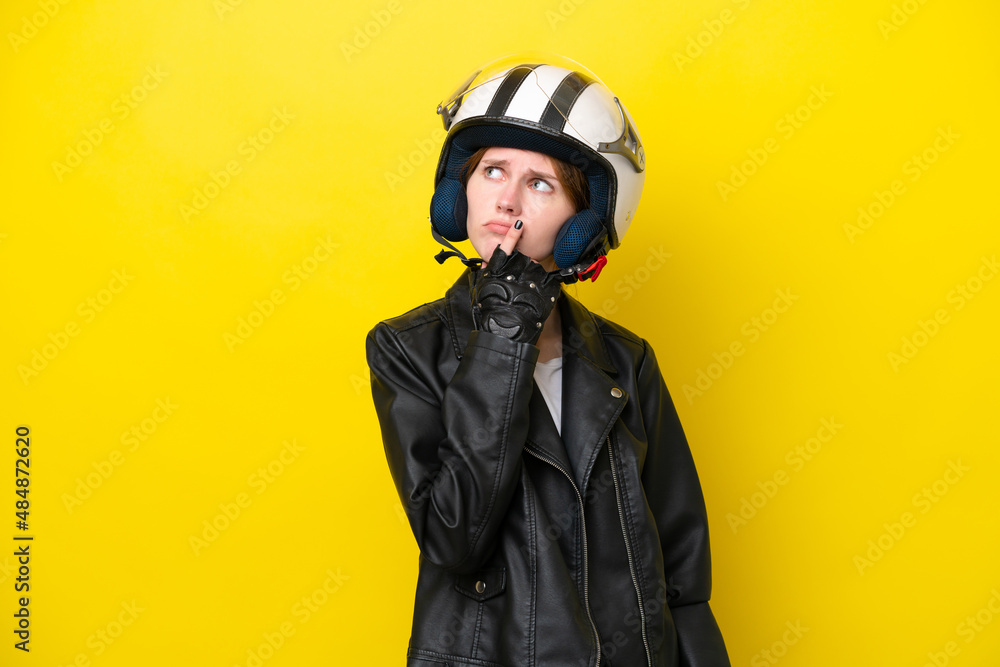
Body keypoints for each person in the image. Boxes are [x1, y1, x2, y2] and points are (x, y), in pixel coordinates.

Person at [367, 53, 731, 667]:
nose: (506, 199)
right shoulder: (407, 348)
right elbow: (456, 538)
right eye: (491, 171)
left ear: (584, 225)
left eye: (541, 183)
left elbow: (681, 567)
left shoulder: (626, 359)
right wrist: (505, 335)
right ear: (458, 190)